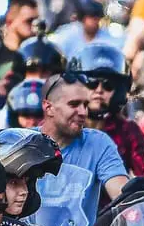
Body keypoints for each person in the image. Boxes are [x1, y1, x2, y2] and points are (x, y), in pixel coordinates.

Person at [38, 74, 129, 203]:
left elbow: (122, 195)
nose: (83, 112)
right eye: (74, 104)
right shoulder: (22, 142)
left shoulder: (98, 143)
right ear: (49, 108)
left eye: (85, 105)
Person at [69, 42, 144, 176]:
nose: (99, 90)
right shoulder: (62, 126)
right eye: (91, 83)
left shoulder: (127, 131)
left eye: (108, 85)